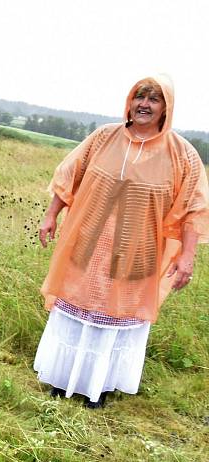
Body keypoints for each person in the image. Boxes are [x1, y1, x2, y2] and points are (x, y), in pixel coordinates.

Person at [35, 74, 208, 408]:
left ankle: (98, 387)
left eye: (153, 99)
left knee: (117, 315)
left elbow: (194, 209)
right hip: (88, 244)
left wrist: (186, 257)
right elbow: (70, 174)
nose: (144, 104)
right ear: (129, 102)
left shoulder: (182, 154)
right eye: (139, 97)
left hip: (139, 251)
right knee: (76, 307)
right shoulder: (104, 137)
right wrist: (50, 215)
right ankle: (61, 380)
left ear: (165, 108)